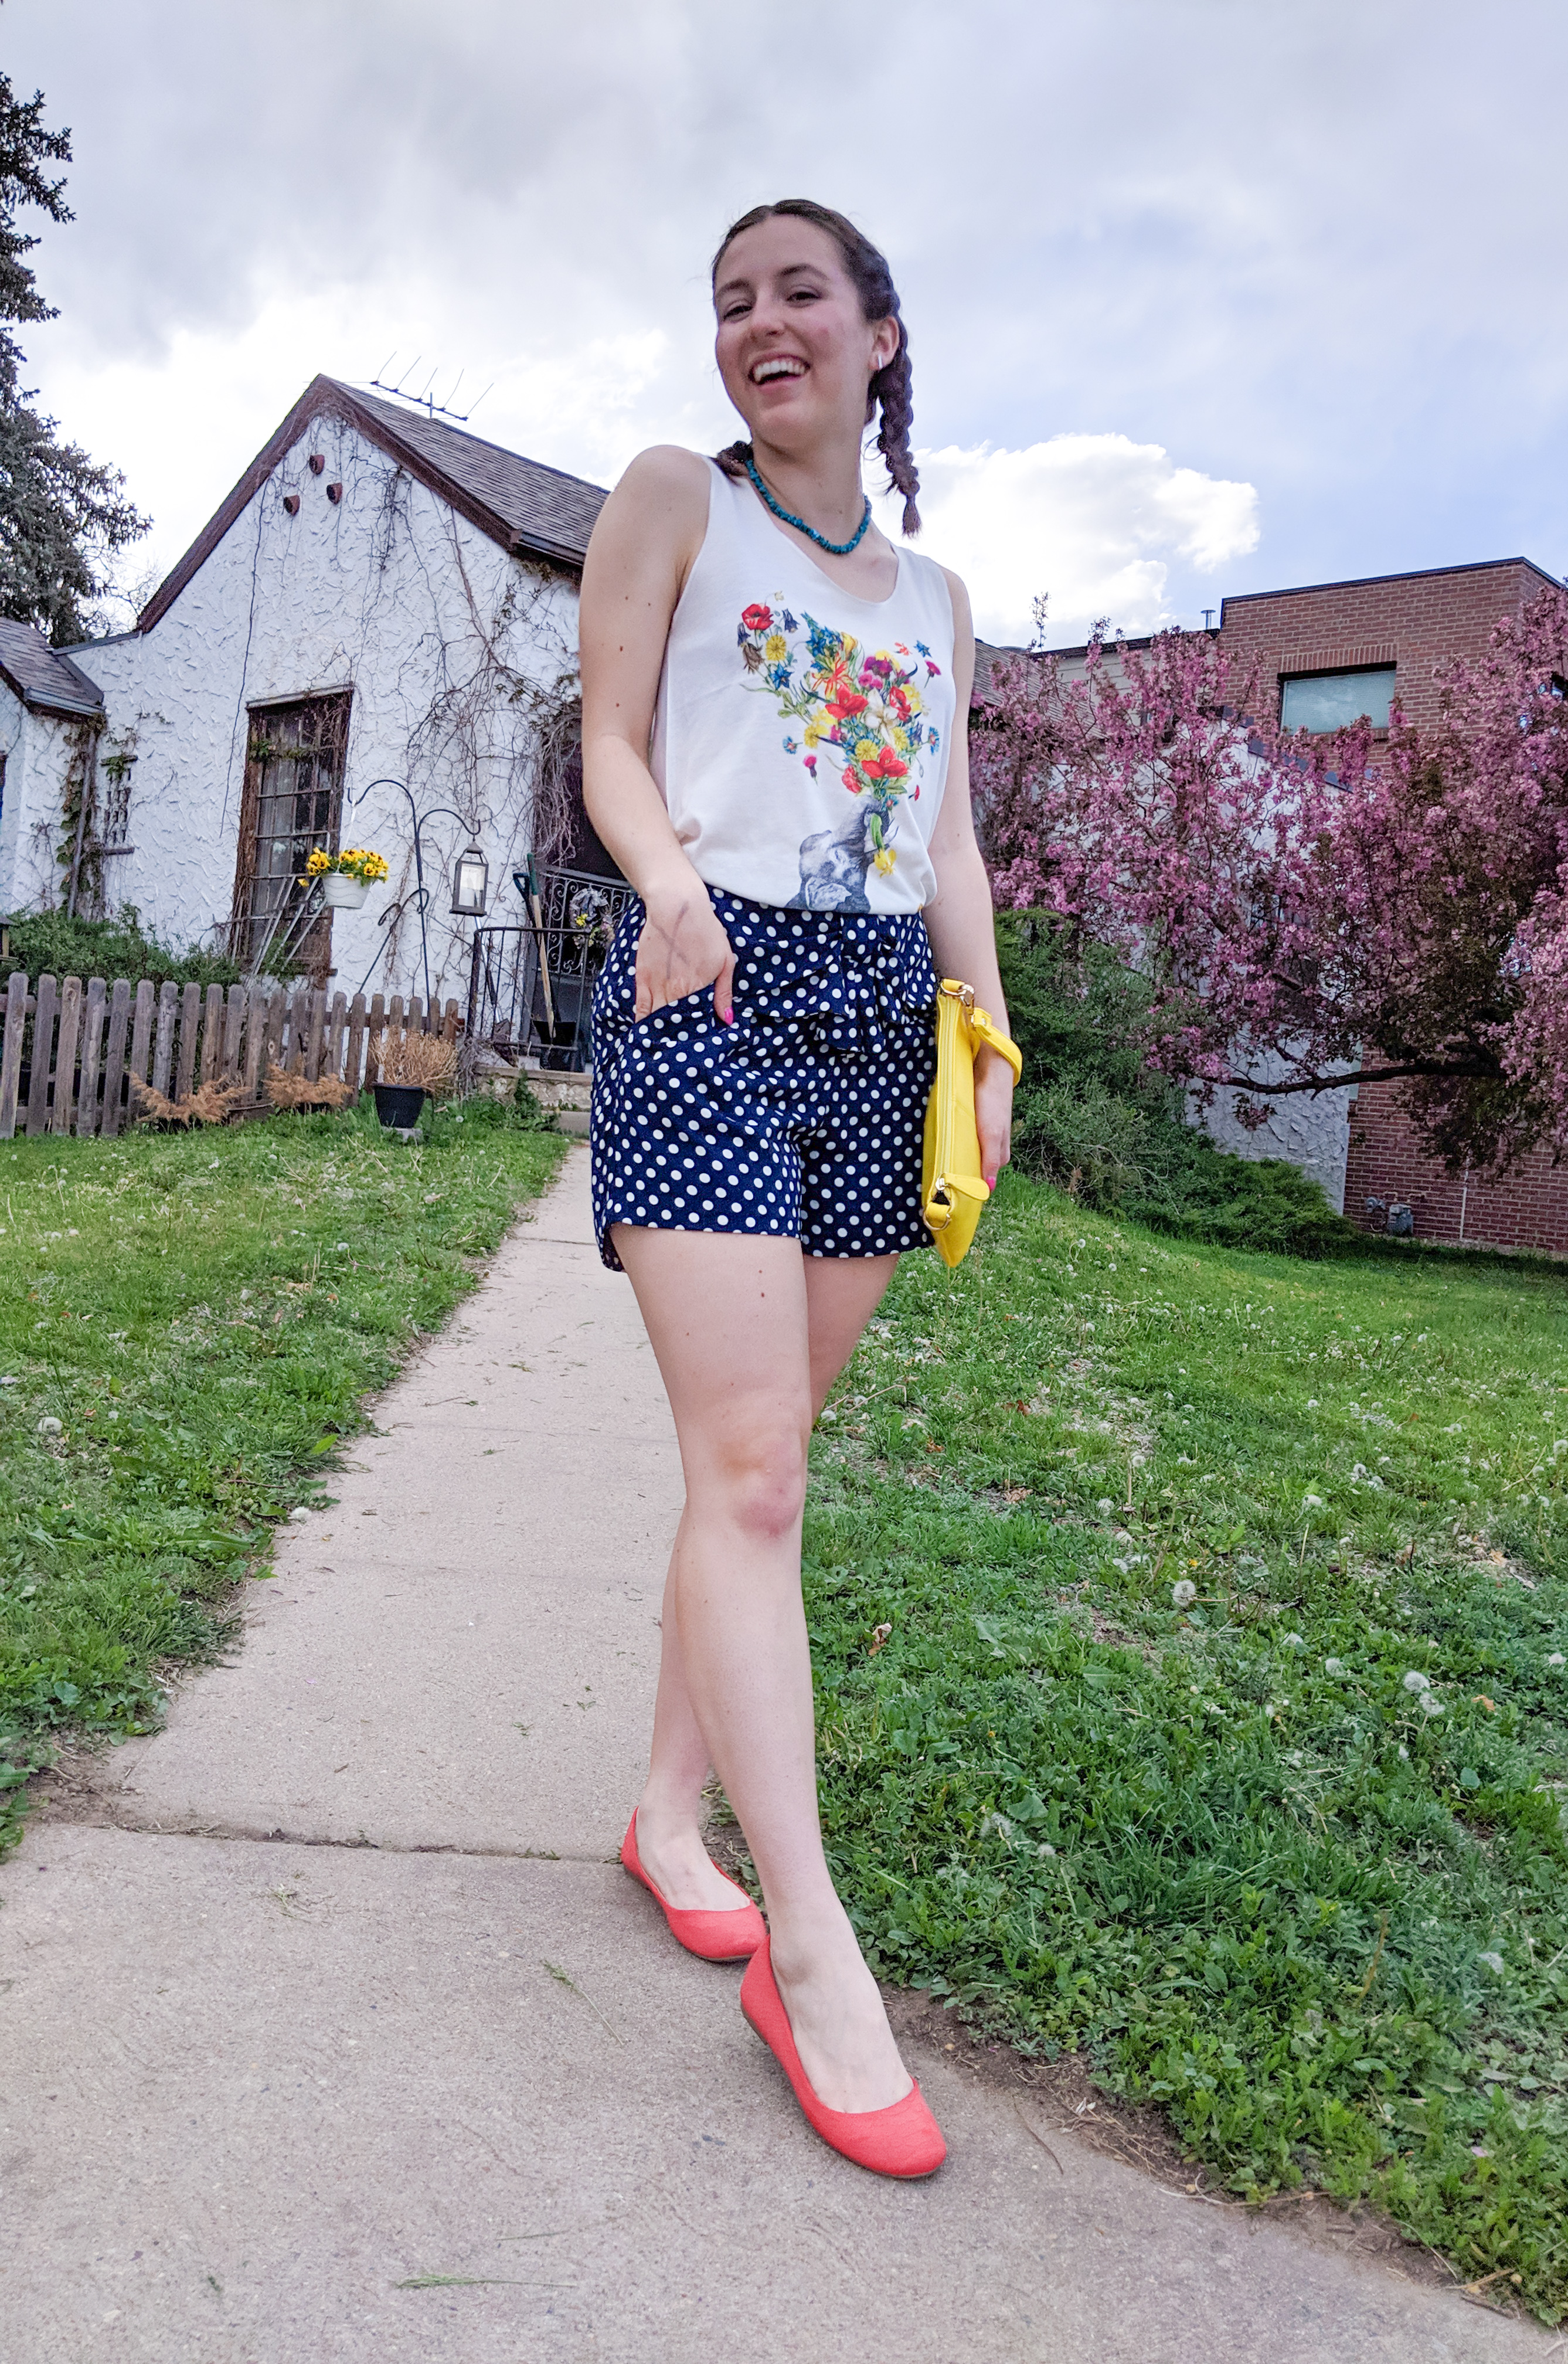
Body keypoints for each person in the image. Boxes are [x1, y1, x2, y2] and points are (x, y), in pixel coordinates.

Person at [577, 198, 1015, 2179]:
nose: (762, 324)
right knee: (749, 1470)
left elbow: (947, 844)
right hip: (711, 981)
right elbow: (607, 733)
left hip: (877, 1022)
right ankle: (814, 1960)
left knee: (768, 1459)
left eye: (800, 294)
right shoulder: (677, 497)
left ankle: (670, 1818)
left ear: (881, 337)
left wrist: (987, 1041)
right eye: (731, 299)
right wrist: (670, 888)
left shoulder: (935, 598)